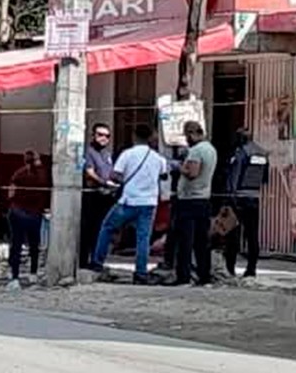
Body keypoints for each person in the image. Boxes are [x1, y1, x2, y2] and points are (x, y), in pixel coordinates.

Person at [88, 124, 167, 284]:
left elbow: (115, 175)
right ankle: (140, 273)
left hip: (129, 200)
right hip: (149, 203)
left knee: (107, 227)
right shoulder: (158, 158)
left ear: (134, 137)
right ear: (150, 138)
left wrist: (124, 180)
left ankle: (97, 263)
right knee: (143, 238)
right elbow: (163, 175)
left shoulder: (127, 154)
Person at [171, 121, 217, 286]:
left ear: (192, 133)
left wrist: (178, 166)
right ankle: (204, 277)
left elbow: (192, 173)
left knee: (186, 240)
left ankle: (183, 277)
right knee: (202, 242)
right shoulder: (211, 149)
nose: (186, 139)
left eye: (187, 136)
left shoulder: (196, 151)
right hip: (204, 199)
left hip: (189, 200)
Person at [223, 128, 269, 278]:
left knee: (233, 234)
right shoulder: (262, 153)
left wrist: (230, 196)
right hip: (254, 196)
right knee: (252, 234)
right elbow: (264, 179)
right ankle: (251, 269)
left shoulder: (241, 153)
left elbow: (234, 176)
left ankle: (230, 268)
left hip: (239, 197)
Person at [5, 150, 47, 291]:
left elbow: (10, 194)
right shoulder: (43, 174)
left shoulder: (18, 174)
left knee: (16, 245)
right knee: (34, 245)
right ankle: (33, 273)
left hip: (18, 212)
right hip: (35, 214)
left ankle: (14, 277)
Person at [80, 123, 116, 268]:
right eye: (100, 135)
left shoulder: (107, 154)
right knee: (88, 230)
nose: (103, 138)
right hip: (92, 195)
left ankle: (96, 261)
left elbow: (111, 172)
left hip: (106, 197)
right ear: (93, 136)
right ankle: (83, 262)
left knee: (102, 229)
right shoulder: (89, 152)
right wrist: (104, 183)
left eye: (107, 136)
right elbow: (89, 173)